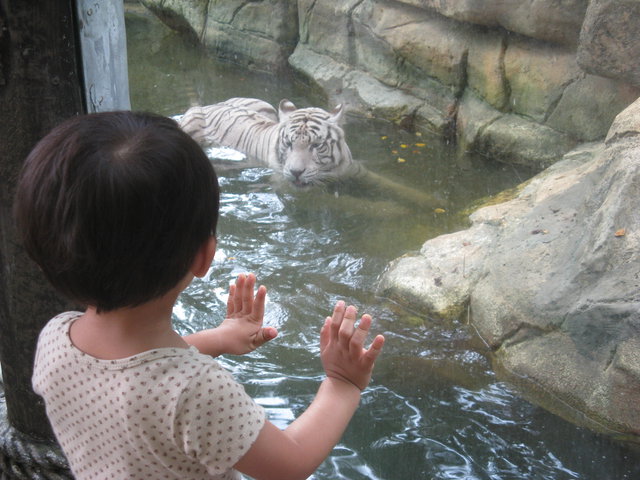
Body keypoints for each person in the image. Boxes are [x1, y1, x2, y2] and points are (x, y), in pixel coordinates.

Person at [14, 111, 385, 480]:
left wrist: (218, 338)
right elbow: (289, 463)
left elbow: (131, 369)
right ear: (204, 257)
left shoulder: (56, 338)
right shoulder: (196, 392)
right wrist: (342, 384)